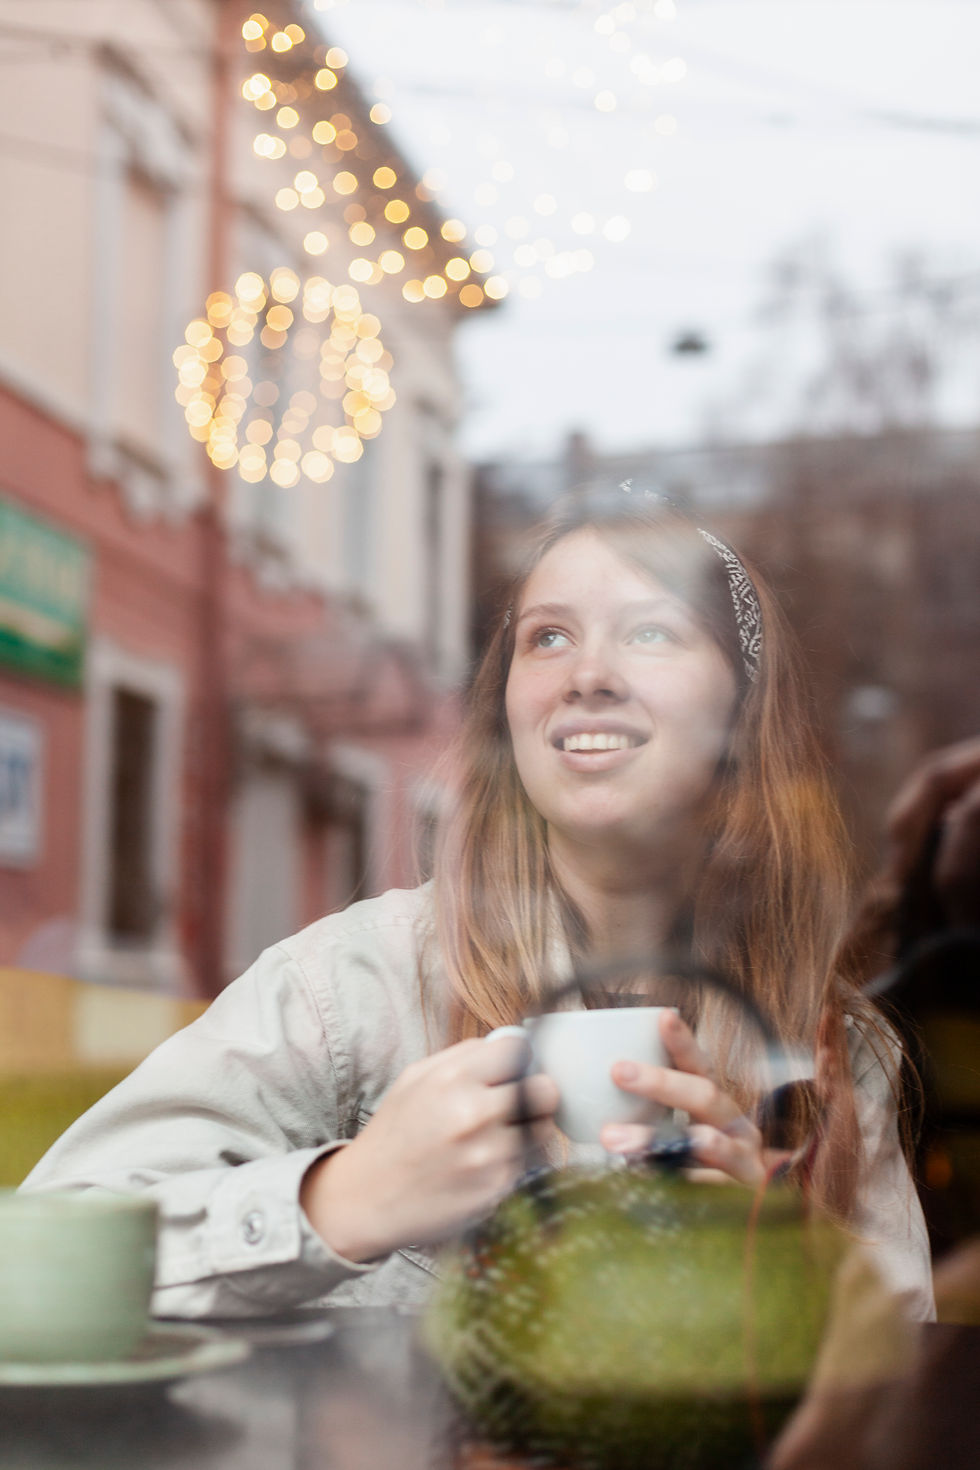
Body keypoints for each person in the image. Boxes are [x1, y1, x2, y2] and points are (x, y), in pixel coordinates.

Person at [22, 490, 933, 1321]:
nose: (588, 674)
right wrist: (344, 1200)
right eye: (549, 637)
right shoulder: (357, 989)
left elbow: (906, 1384)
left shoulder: (834, 1052)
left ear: (742, 710)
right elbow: (42, 1247)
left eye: (652, 631)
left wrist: (781, 1290)